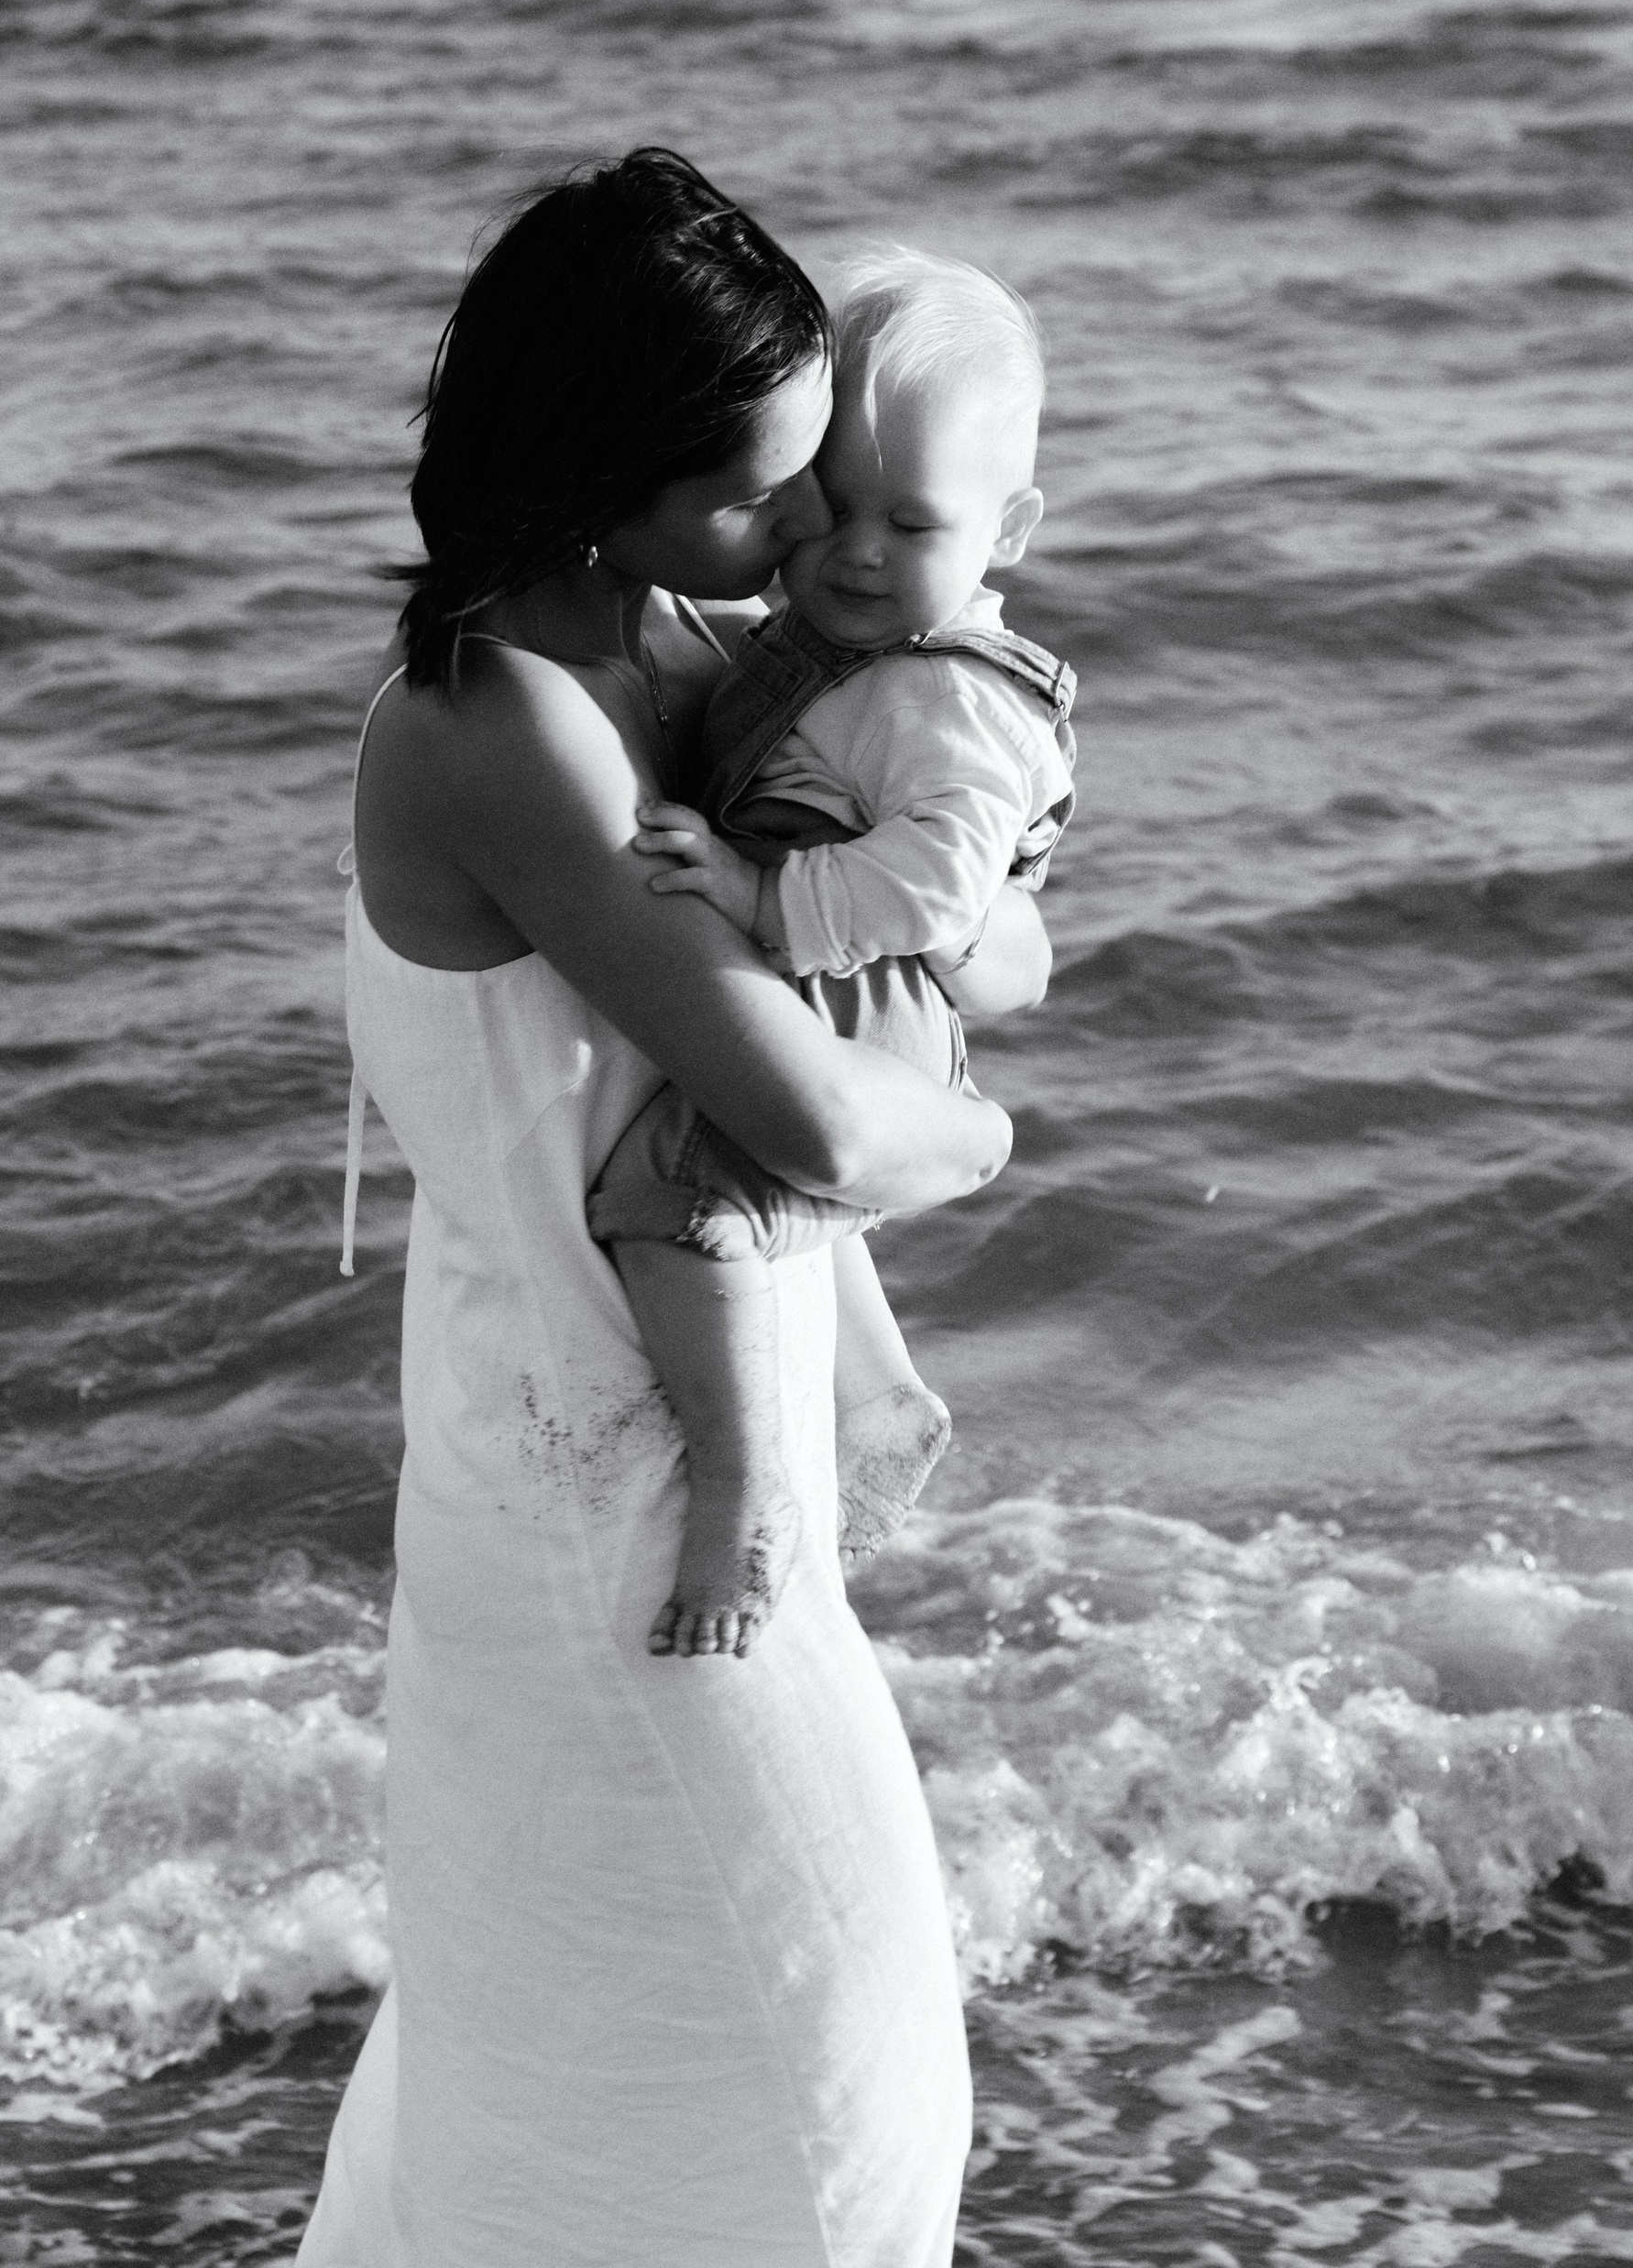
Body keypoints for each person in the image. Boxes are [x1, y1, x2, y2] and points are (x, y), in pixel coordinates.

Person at [297, 149, 1052, 2268]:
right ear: (597, 475)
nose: (809, 532)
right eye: (761, 491)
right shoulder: (498, 729)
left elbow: (1003, 940)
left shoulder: (690, 642)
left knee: (672, 2108)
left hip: (713, 1465)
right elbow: (814, 1124)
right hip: (604, 1528)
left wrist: (954, 925)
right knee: (831, 2115)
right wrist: (976, 1139)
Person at [587, 246, 1074, 1661]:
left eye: (910, 522)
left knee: (682, 1205)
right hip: (831, 967)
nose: (858, 552)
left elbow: (937, 890)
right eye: (829, 506)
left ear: (1009, 530)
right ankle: (873, 1396)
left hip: (869, 991)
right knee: (727, 1193)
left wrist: (758, 892)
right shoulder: (833, 641)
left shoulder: (952, 701)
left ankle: (748, 1498)